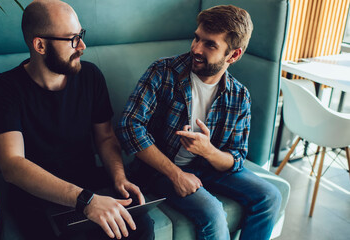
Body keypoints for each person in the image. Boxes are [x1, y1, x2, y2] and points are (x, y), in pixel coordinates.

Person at [0, 0, 154, 239]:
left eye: (81, 35)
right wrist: (85, 200)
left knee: (140, 226)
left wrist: (119, 177)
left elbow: (105, 137)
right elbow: (12, 165)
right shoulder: (4, 89)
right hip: (38, 198)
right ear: (40, 45)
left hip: (90, 183)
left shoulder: (91, 76)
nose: (82, 46)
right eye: (72, 39)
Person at [117, 5, 281, 240]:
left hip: (209, 169)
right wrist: (176, 174)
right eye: (197, 38)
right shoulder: (163, 72)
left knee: (270, 196)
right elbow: (129, 126)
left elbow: (236, 158)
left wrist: (208, 151)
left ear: (234, 55)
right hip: (162, 169)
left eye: (210, 44)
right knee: (212, 211)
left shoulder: (239, 95)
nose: (196, 48)